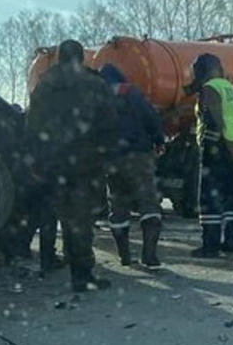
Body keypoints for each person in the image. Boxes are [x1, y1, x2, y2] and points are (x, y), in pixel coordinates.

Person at [24, 39, 119, 292]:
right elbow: (110, 122)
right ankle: (82, 274)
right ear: (81, 57)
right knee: (82, 219)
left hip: (53, 163)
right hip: (86, 162)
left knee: (60, 215)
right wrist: (107, 155)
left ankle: (62, 260)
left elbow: (32, 126)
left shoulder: (44, 86)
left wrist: (33, 160)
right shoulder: (94, 83)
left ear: (58, 59)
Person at [99, 64, 166, 270]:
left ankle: (125, 255)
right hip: (138, 155)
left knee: (118, 205)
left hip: (111, 159)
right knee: (148, 202)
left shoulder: (97, 98)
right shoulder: (131, 92)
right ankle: (150, 255)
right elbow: (150, 117)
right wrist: (158, 139)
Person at [189, 53, 233, 258]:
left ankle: (210, 245)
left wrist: (208, 147)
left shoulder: (209, 89)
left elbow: (212, 119)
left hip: (217, 147)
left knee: (210, 197)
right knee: (232, 196)